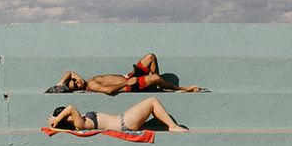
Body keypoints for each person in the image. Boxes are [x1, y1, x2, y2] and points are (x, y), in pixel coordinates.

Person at [52, 53, 206, 95]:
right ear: (75, 89)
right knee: (156, 77)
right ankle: (183, 89)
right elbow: (108, 90)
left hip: (129, 76)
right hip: (129, 85)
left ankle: (153, 86)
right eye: (74, 83)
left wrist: (60, 83)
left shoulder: (83, 80)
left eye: (75, 80)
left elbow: (69, 72)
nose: (77, 80)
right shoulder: (91, 85)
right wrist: (126, 83)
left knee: (150, 57)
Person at [48, 98, 188, 133]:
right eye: (67, 116)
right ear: (67, 119)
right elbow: (71, 107)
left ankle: (169, 125)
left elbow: (70, 109)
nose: (69, 114)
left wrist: (57, 120)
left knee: (154, 111)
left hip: (123, 119)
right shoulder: (79, 124)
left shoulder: (80, 120)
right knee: (152, 101)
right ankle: (173, 126)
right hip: (124, 123)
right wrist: (57, 119)